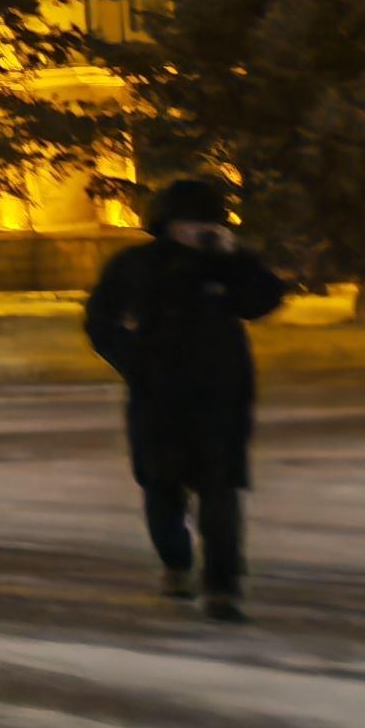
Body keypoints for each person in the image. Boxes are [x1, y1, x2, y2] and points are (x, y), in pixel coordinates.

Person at [83, 176, 287, 620]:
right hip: (158, 396)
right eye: (190, 223)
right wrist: (132, 360)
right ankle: (176, 563)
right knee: (161, 487)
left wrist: (233, 258)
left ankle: (222, 586)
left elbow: (264, 300)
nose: (199, 231)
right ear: (168, 223)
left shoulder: (226, 264)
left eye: (208, 223)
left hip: (221, 396)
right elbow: (100, 320)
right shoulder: (136, 265)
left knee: (221, 491)